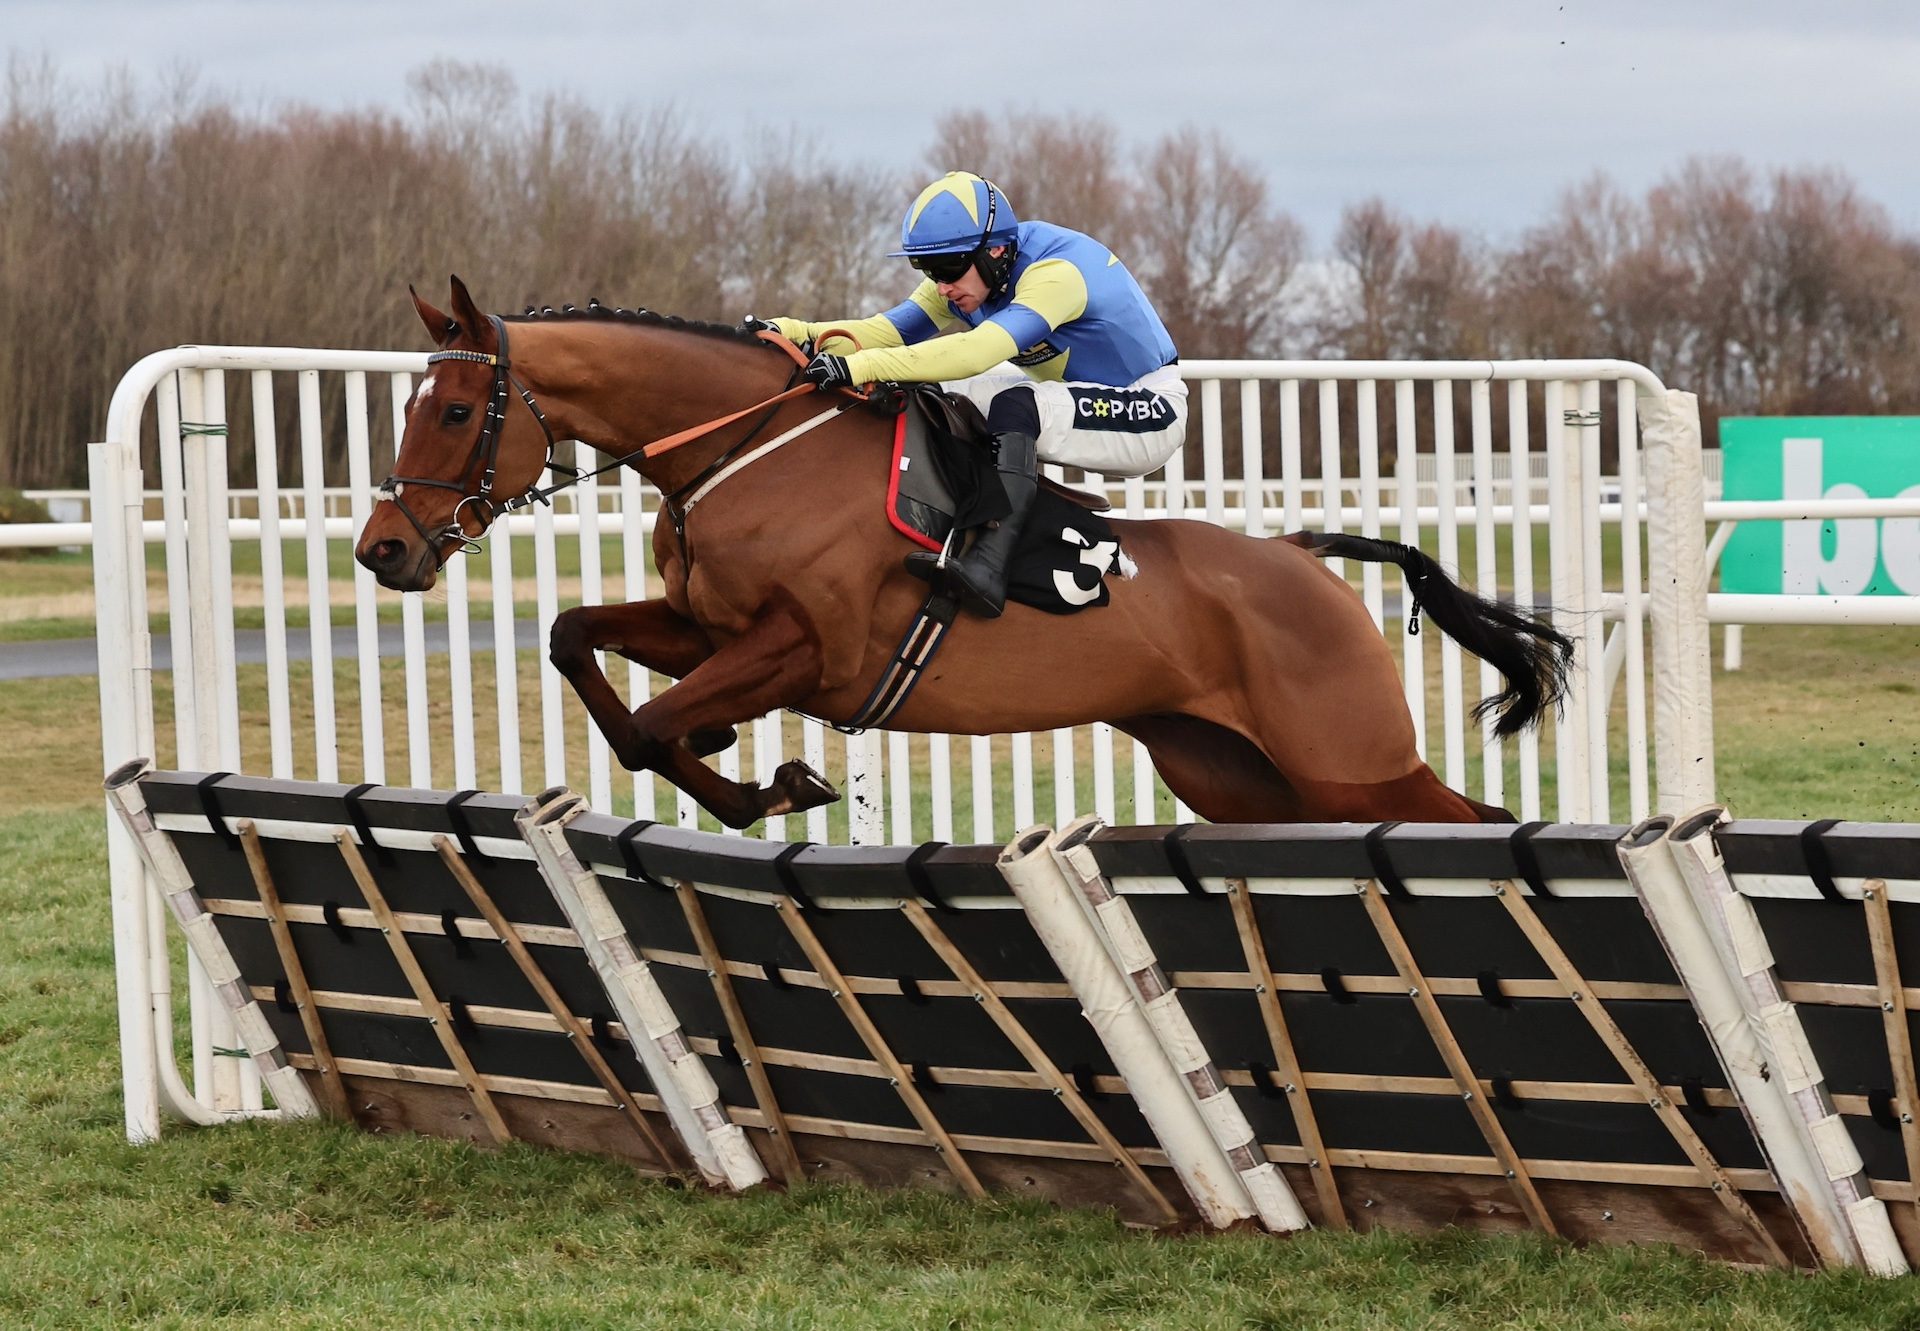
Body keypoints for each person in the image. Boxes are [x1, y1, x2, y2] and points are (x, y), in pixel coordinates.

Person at [765, 171, 1185, 618]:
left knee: (1012, 403)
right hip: (1070, 396)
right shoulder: (975, 269)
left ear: (997, 251)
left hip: (1151, 409)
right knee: (932, 393)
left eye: (947, 270)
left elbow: (978, 352)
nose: (941, 285)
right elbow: (887, 332)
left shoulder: (1056, 274)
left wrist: (860, 365)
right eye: (929, 271)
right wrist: (797, 332)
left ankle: (990, 565)